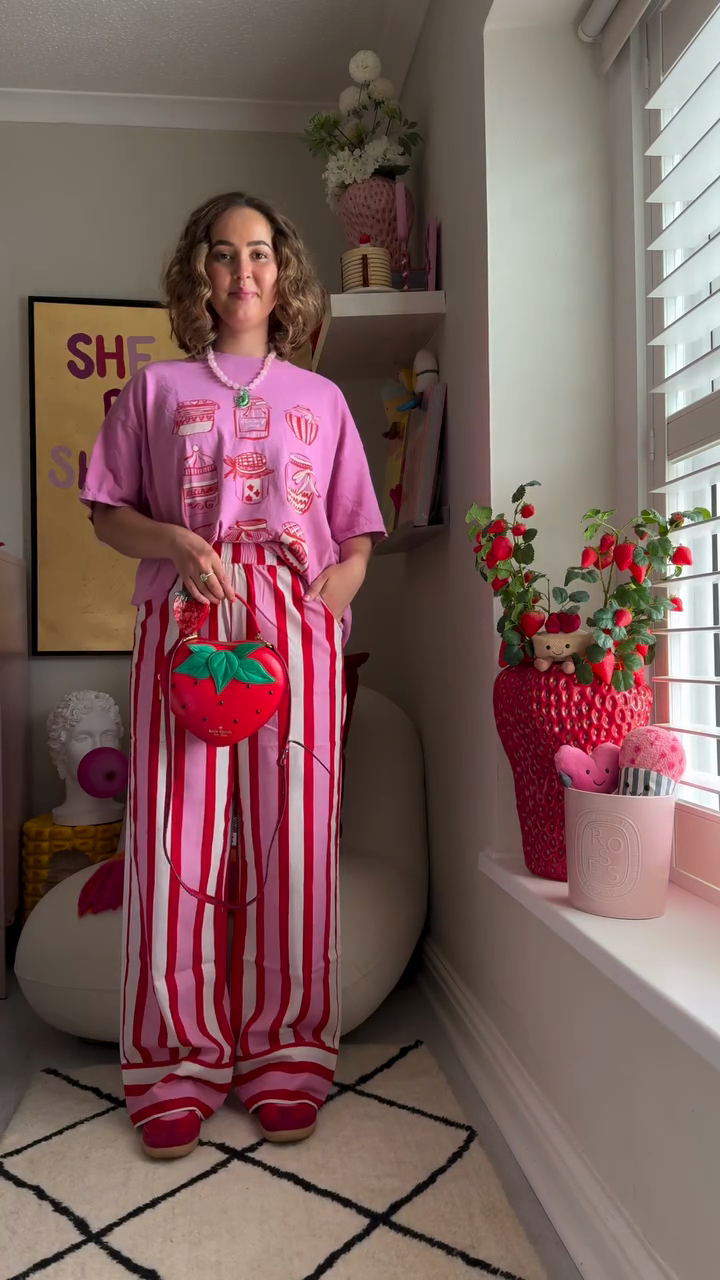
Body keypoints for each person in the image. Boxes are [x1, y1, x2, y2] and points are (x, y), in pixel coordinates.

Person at [81, 191, 385, 1160]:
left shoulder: (322, 400)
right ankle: (174, 1062)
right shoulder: (157, 389)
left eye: (259, 252)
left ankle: (288, 1052)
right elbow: (106, 513)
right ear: (199, 275)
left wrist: (334, 594)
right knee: (177, 837)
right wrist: (174, 536)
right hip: (187, 611)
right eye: (223, 254)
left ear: (283, 272)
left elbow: (356, 531)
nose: (243, 270)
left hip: (295, 619)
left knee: (293, 838)